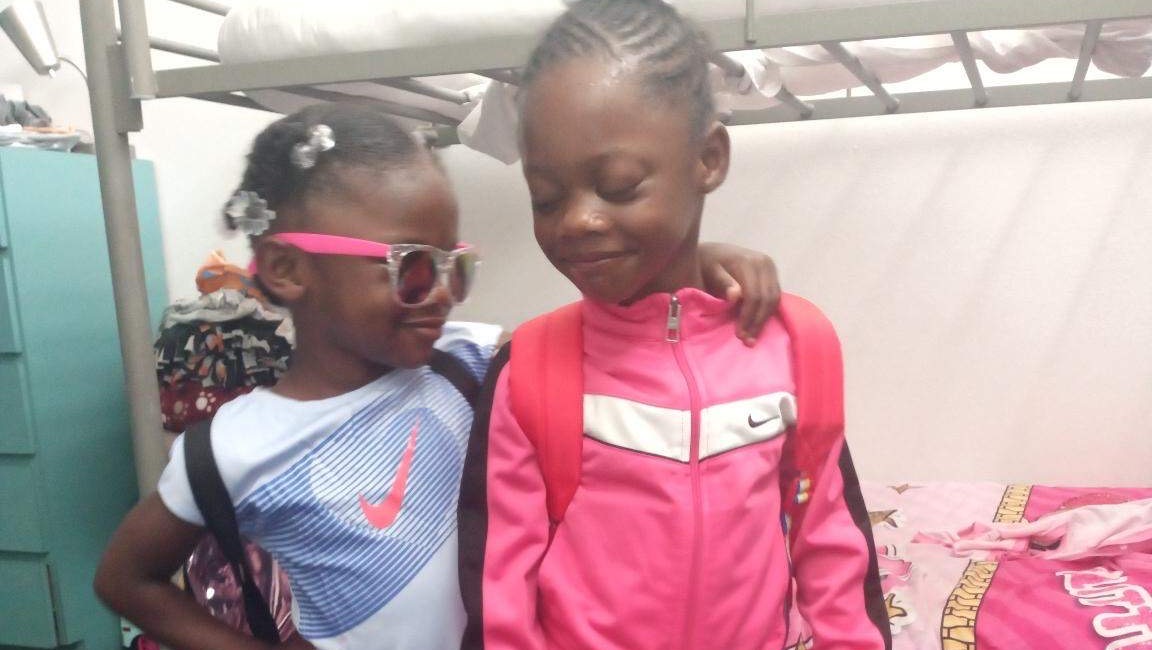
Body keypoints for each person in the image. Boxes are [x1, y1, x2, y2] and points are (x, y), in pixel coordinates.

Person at [93, 101, 783, 650]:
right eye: (413, 268)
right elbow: (126, 580)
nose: (444, 294)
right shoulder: (233, 448)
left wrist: (689, 267)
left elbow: (605, 332)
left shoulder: (466, 361)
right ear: (286, 268)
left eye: (457, 266)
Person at [457, 2, 891, 649]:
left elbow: (829, 539)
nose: (576, 221)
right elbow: (501, 597)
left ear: (708, 158)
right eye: (546, 198)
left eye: (618, 186)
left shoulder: (794, 350)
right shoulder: (529, 372)